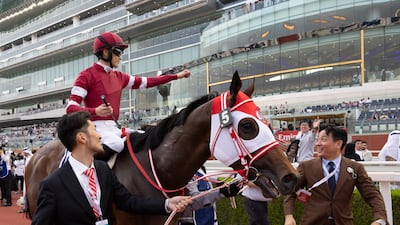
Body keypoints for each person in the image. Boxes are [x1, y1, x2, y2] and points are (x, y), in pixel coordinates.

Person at [31, 111, 192, 225]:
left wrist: (166, 204)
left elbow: (128, 202)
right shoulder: (53, 185)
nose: (100, 135)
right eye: (95, 129)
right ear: (82, 138)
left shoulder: (103, 170)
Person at [66, 31, 191, 160]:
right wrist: (95, 111)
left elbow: (147, 82)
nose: (120, 57)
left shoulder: (120, 77)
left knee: (145, 135)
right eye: (118, 52)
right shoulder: (86, 75)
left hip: (113, 127)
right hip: (94, 127)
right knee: (116, 144)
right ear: (105, 52)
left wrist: (176, 76)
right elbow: (70, 108)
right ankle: (94, 175)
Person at [283, 125, 387, 225]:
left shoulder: (355, 168)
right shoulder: (306, 166)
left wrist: (379, 219)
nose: (318, 144)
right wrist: (289, 216)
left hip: (343, 221)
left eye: (323, 139)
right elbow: (291, 192)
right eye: (317, 140)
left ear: (338, 144)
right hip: (312, 221)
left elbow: (372, 195)